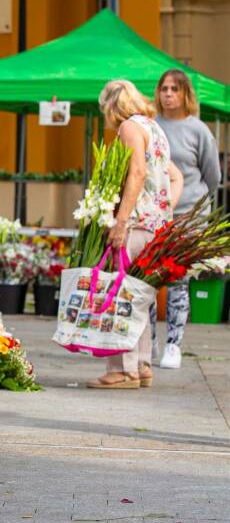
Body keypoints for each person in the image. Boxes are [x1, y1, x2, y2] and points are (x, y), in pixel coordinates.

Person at [87, 80, 182, 390]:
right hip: (156, 227)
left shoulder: (129, 127)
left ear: (113, 105)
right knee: (140, 297)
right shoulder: (154, 127)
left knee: (122, 296)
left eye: (105, 109)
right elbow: (175, 176)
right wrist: (163, 207)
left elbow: (138, 172)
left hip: (136, 226)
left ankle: (122, 370)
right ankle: (142, 366)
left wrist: (121, 221)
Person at [153, 69, 221, 369]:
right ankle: (150, 341)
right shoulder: (152, 126)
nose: (168, 94)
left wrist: (194, 202)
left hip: (188, 216)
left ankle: (173, 344)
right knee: (151, 280)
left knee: (179, 279)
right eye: (164, 89)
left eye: (174, 89)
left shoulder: (198, 130)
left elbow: (213, 175)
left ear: (185, 95)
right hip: (156, 214)